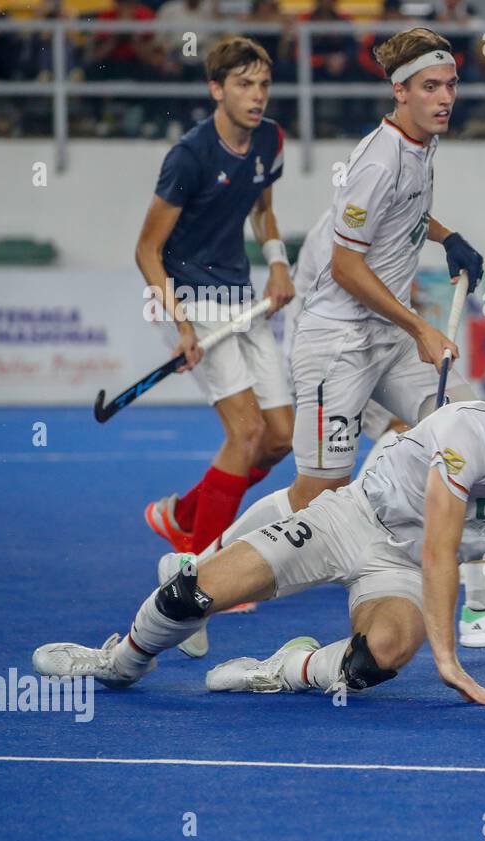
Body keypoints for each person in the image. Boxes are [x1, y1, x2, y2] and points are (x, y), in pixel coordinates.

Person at [208, 27, 485, 649]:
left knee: (471, 424)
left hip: (386, 337)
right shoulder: (379, 158)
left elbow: (410, 211)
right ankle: (202, 570)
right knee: (319, 496)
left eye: (450, 85)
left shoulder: (423, 145)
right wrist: (420, 325)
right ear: (400, 92)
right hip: (337, 343)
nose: (445, 97)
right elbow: (345, 267)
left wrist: (446, 237)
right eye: (430, 87)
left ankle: (481, 604)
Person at [33, 362, 485, 706]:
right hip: (350, 519)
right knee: (192, 594)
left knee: (378, 658)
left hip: (399, 572)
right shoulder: (471, 430)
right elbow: (440, 547)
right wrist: (448, 661)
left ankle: (280, 670)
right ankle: (120, 662)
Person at [137, 36, 296, 557]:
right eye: (243, 84)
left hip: (240, 294)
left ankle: (182, 514)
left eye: (263, 85)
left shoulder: (270, 139)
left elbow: (262, 209)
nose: (257, 96)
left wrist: (277, 263)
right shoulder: (188, 157)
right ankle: (203, 571)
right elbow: (146, 250)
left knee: (279, 438)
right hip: (189, 296)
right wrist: (180, 325)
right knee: (246, 433)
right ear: (216, 89)